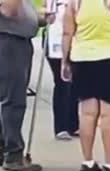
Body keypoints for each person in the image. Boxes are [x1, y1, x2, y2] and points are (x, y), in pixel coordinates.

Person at [0, 0, 53, 171]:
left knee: (8, 96)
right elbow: (9, 11)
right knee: (13, 100)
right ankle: (13, 154)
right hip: (9, 42)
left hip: (16, 40)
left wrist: (37, 18)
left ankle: (0, 148)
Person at [62, 0, 110, 171]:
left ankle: (88, 162)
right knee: (109, 115)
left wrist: (65, 61)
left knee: (87, 114)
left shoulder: (75, 2)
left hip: (83, 59)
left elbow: (67, 33)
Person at [44, 0, 79, 141]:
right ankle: (61, 127)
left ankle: (73, 124)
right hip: (56, 40)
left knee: (74, 83)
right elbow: (49, 14)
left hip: (75, 40)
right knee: (63, 82)